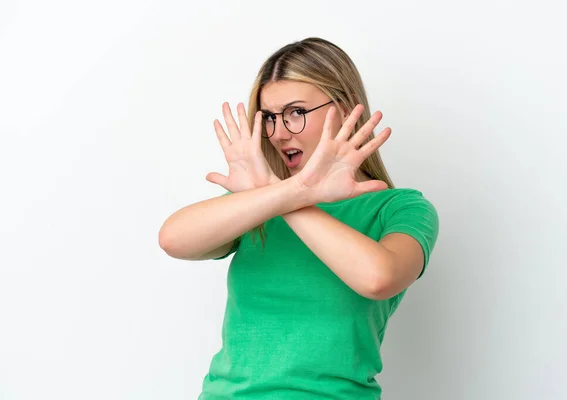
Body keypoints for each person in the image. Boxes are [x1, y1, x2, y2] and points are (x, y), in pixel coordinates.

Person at [159, 37, 439, 400]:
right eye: (271, 118)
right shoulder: (261, 201)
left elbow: (378, 278)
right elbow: (173, 240)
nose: (279, 133)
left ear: (344, 107)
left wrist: (290, 195)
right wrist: (289, 192)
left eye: (295, 112)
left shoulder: (400, 209)